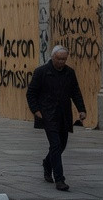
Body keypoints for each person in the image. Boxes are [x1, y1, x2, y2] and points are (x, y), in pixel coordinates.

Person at [27, 45, 87, 192]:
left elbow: (75, 92)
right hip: (48, 115)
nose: (61, 62)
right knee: (55, 145)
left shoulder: (69, 73)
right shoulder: (41, 72)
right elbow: (31, 93)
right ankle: (59, 179)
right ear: (53, 57)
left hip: (64, 115)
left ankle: (47, 164)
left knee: (62, 145)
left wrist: (81, 109)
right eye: (59, 59)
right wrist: (36, 111)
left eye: (64, 59)